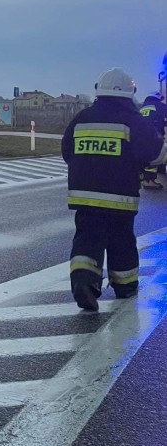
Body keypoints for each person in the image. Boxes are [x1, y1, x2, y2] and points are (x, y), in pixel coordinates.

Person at [62, 69, 164, 310]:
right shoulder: (133, 120)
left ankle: (84, 283)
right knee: (121, 241)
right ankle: (125, 286)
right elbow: (155, 154)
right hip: (120, 197)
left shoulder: (82, 117)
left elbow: (67, 151)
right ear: (130, 93)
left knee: (86, 240)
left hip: (84, 196)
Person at [139, 91, 167, 190]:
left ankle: (145, 178)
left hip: (141, 137)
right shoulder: (158, 106)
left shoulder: (142, 107)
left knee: (147, 157)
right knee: (154, 157)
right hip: (154, 136)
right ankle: (148, 181)